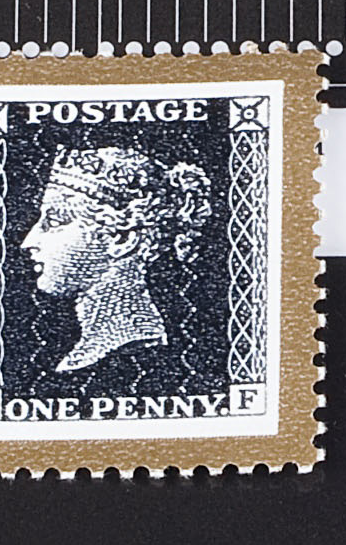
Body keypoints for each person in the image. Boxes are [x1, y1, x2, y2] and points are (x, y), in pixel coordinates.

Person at [17, 141, 216, 380]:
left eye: (55, 222)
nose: (29, 242)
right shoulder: (92, 347)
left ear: (122, 240)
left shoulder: (135, 349)